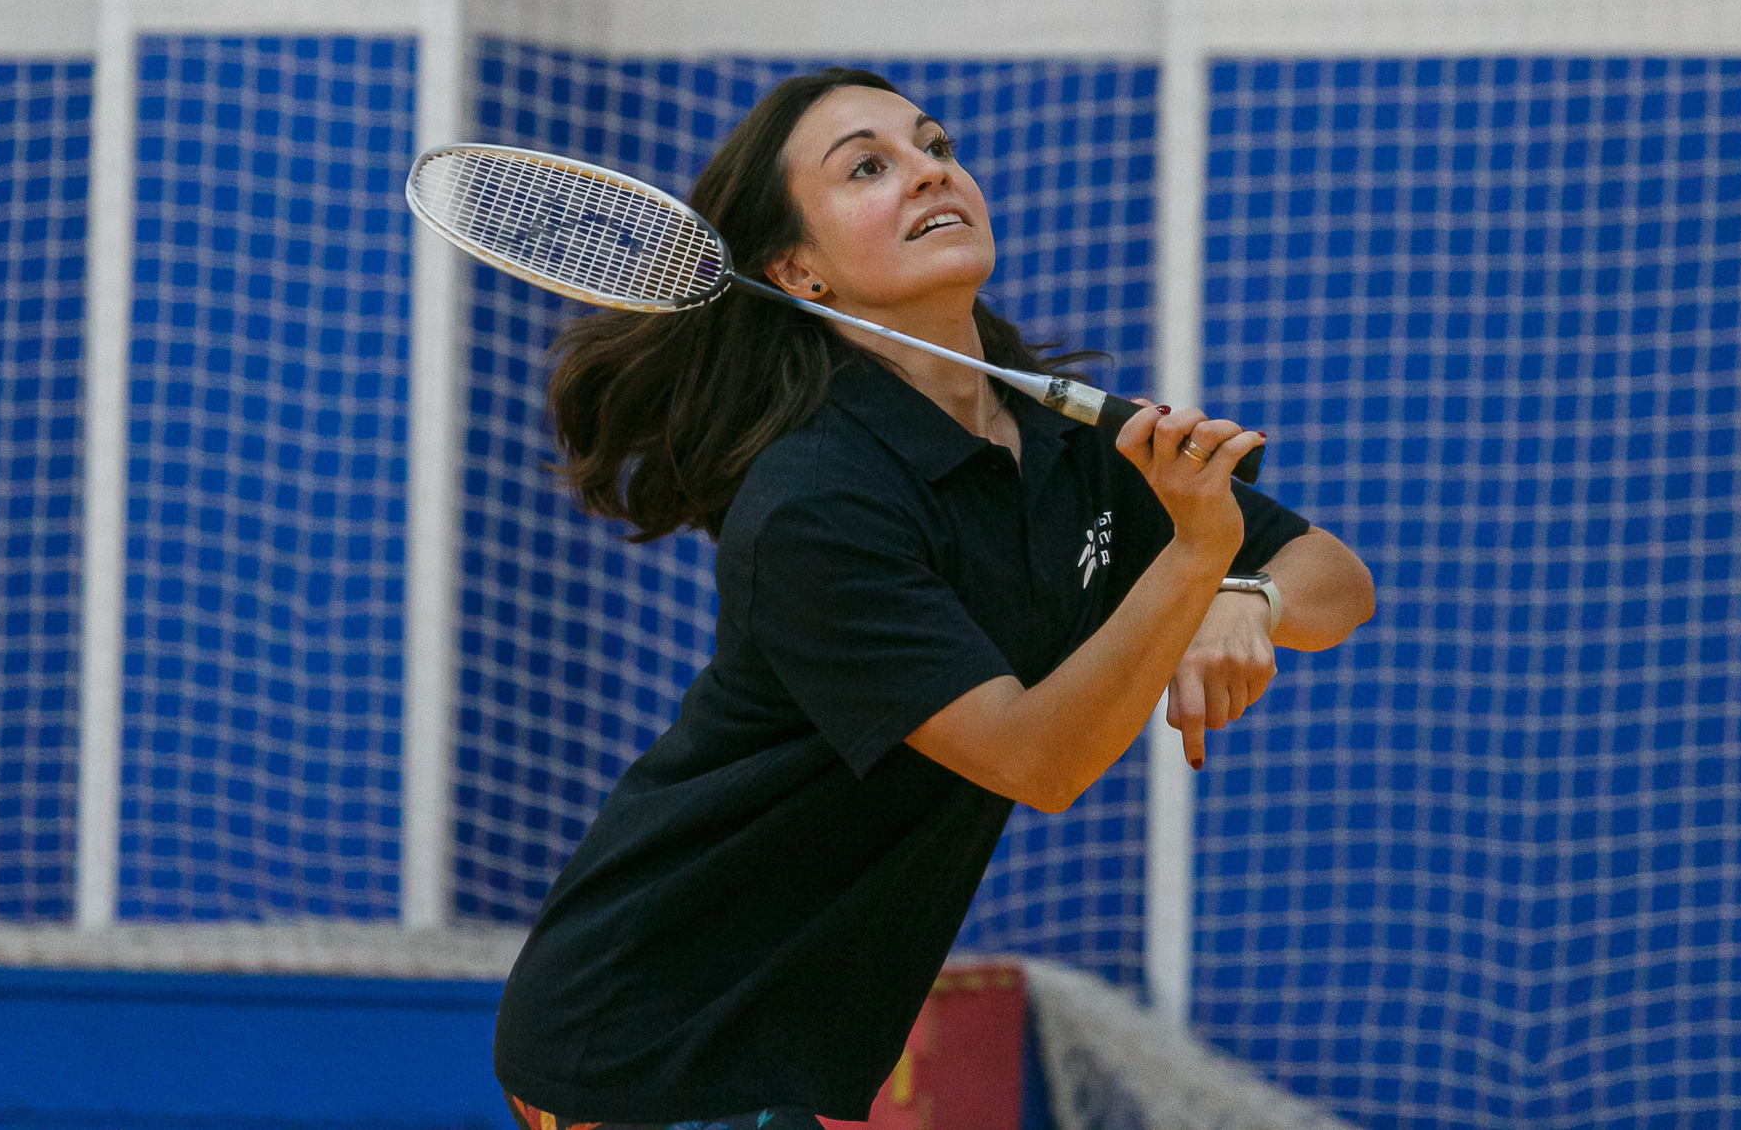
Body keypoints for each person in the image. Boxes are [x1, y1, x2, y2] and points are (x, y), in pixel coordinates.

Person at [493, 68, 1375, 1130]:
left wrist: (1242, 595)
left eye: (932, 145)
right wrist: (1196, 560)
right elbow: (1035, 758)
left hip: (800, 1045)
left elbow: (1333, 578)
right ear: (798, 271)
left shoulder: (1064, 441)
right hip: (654, 1033)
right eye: (869, 166)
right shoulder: (815, 503)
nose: (927, 172)